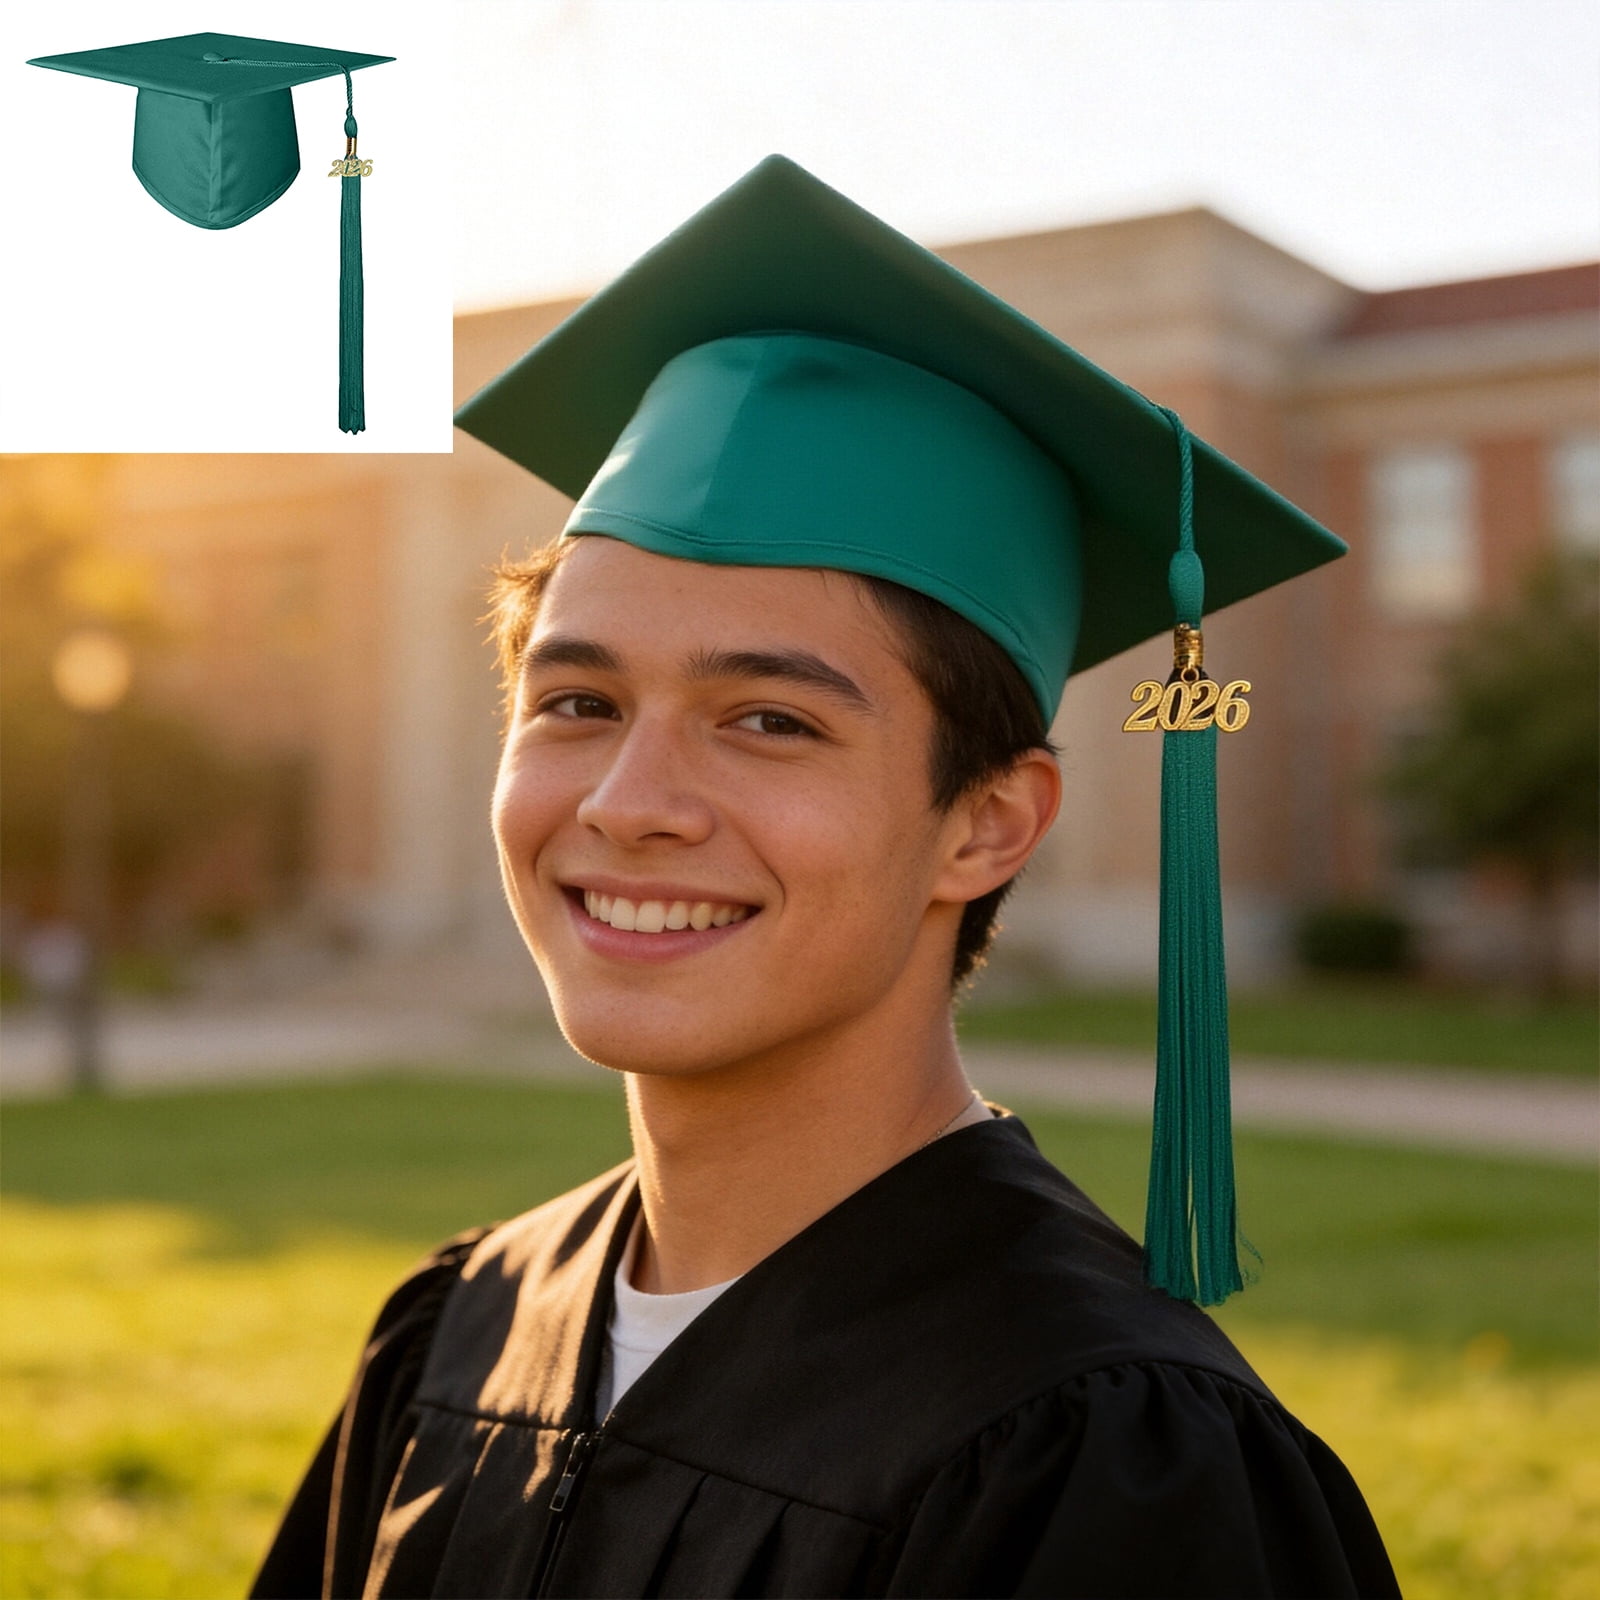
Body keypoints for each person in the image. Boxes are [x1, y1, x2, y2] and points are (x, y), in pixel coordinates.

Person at [252, 157, 1399, 1599]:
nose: (628, 804)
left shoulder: (1104, 1450)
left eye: (769, 721)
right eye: (577, 703)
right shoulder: (461, 1328)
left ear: (987, 824)